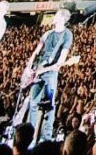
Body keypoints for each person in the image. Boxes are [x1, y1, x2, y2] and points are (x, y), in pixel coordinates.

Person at [21, 9, 74, 141]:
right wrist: (29, 67)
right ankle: (30, 137)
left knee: (49, 105)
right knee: (33, 103)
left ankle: (46, 137)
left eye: (56, 15)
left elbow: (60, 62)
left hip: (50, 73)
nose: (53, 17)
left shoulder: (67, 35)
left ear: (62, 18)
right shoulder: (47, 33)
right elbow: (36, 51)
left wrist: (43, 70)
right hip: (38, 70)